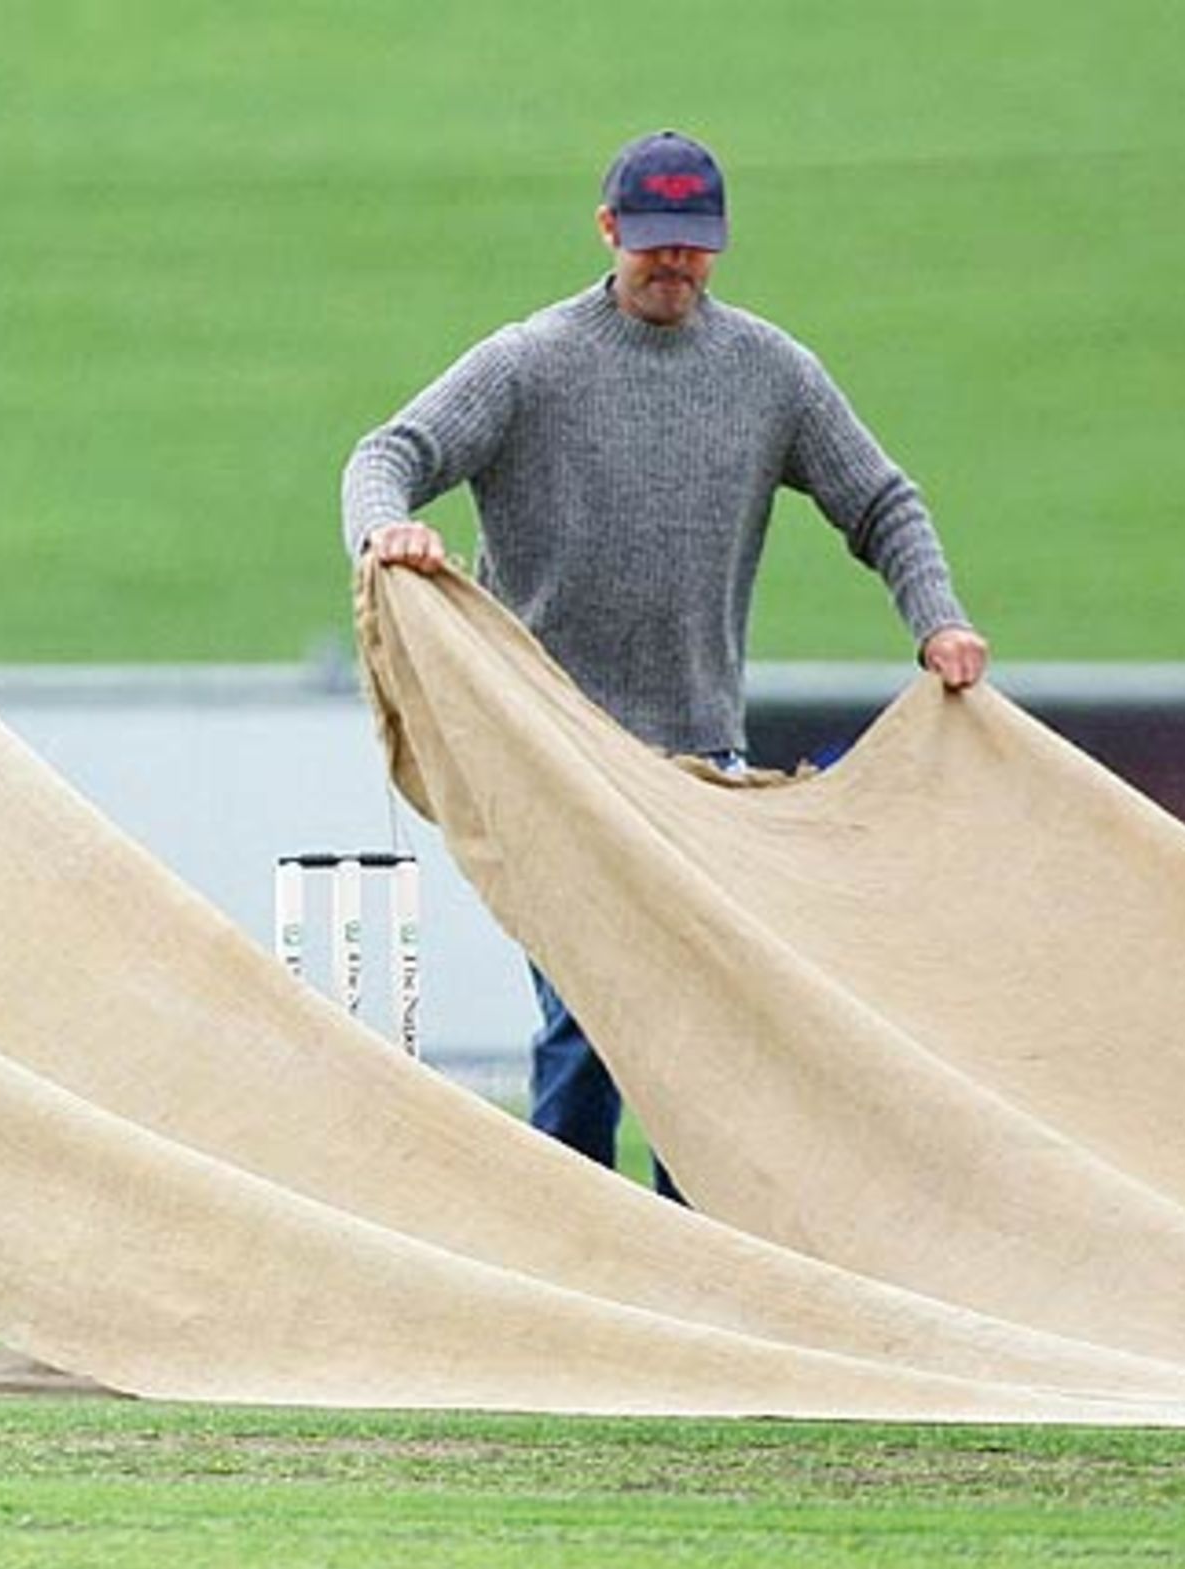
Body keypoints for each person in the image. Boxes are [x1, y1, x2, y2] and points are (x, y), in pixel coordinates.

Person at [342, 129, 989, 1200]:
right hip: (548, 751)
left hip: (700, 758)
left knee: (703, 1028)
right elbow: (386, 456)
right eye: (652, 245)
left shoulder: (770, 373)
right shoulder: (528, 362)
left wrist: (938, 621)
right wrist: (387, 533)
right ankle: (580, 1249)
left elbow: (881, 503)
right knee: (588, 1013)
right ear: (607, 231)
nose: (673, 266)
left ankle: (693, 1265)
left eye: (694, 247)